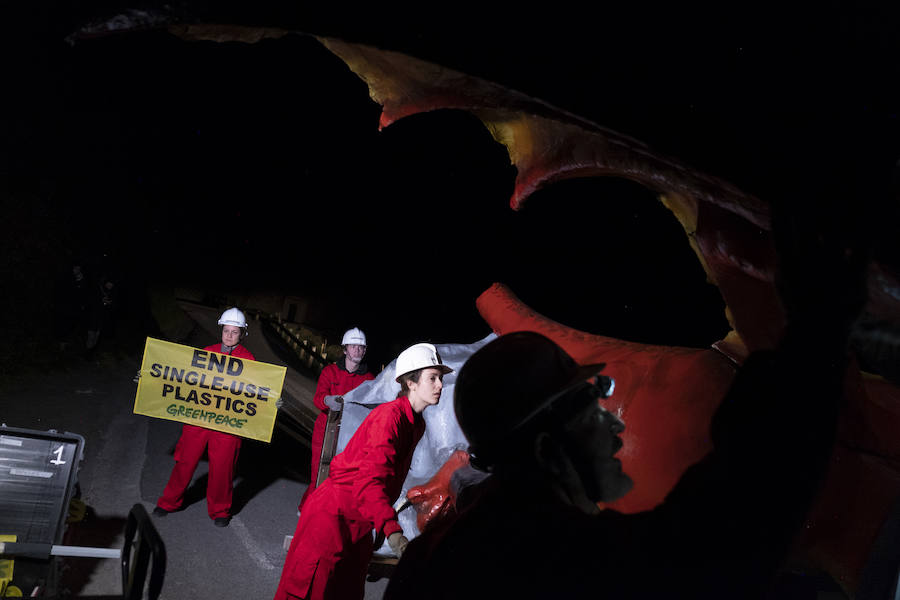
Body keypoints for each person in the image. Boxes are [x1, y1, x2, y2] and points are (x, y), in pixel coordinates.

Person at [385, 209, 869, 599]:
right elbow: (726, 532)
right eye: (589, 411)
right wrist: (817, 330)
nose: (611, 427)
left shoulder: (433, 560)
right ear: (547, 448)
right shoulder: (571, 566)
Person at [273, 342, 453, 600]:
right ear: (410, 383)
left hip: (362, 520)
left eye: (440, 378)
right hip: (334, 516)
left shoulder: (416, 424)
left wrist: (379, 524)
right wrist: (392, 531)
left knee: (347, 592)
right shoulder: (390, 417)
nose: (440, 385)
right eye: (433, 378)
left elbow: (390, 478)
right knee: (310, 591)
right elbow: (369, 481)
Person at [152, 307, 256, 527]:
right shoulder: (207, 353)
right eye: (226, 330)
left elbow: (255, 392)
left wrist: (272, 401)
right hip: (199, 418)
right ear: (221, 330)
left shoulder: (248, 359)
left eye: (234, 332)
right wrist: (149, 378)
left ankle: (220, 510)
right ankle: (169, 502)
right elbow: (182, 379)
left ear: (242, 334)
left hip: (227, 423)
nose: (229, 336)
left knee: (223, 468)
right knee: (185, 461)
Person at [297, 327, 375, 513]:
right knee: (319, 474)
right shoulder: (330, 372)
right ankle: (307, 509)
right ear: (345, 349)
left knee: (341, 478)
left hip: (351, 435)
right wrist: (327, 400)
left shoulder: (369, 379)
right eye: (353, 346)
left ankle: (328, 514)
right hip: (325, 431)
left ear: (365, 351)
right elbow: (318, 398)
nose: (357, 350)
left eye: (361, 347)